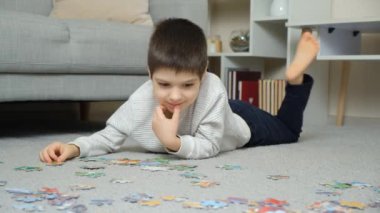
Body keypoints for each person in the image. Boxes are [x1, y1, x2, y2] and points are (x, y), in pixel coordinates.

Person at [39, 18, 319, 163]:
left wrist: (172, 143)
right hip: (213, 108)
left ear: (204, 73)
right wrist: (74, 147)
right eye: (163, 84)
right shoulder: (140, 100)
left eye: (187, 84)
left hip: (240, 122)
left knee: (289, 131)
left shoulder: (212, 88)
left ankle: (294, 79)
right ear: (150, 76)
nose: (174, 96)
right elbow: (109, 137)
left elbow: (210, 146)